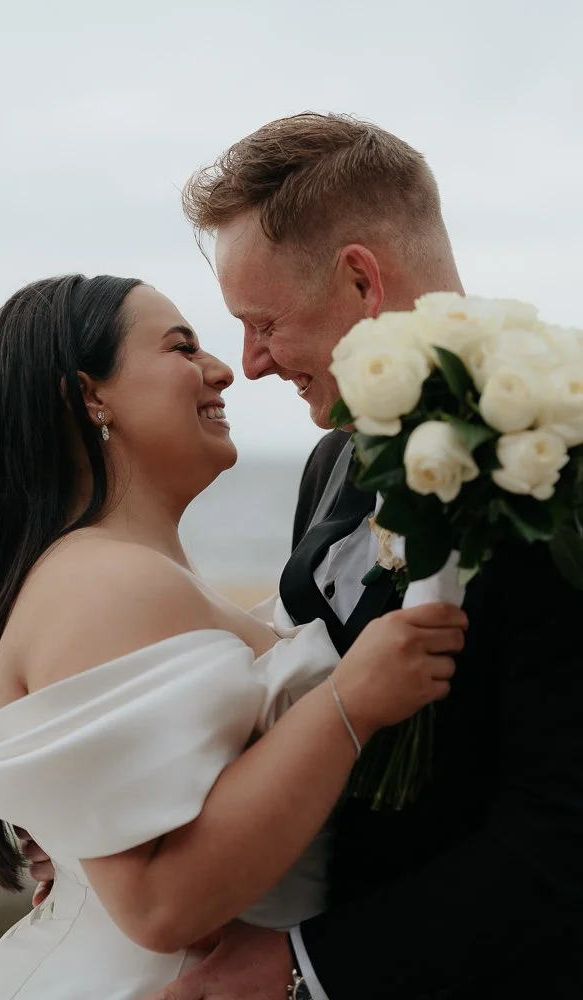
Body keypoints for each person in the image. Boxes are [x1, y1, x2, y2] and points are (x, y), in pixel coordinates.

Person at [0, 274, 465, 1000]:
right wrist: (350, 703)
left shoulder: (135, 573)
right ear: (90, 396)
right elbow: (157, 904)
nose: (222, 370)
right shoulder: (105, 583)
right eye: (182, 347)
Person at [140, 113, 583, 999]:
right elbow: (288, 712)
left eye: (262, 322)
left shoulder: (556, 475)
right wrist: (114, 821)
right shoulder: (332, 459)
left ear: (358, 279)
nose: (252, 364)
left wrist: (307, 969)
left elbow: (562, 830)